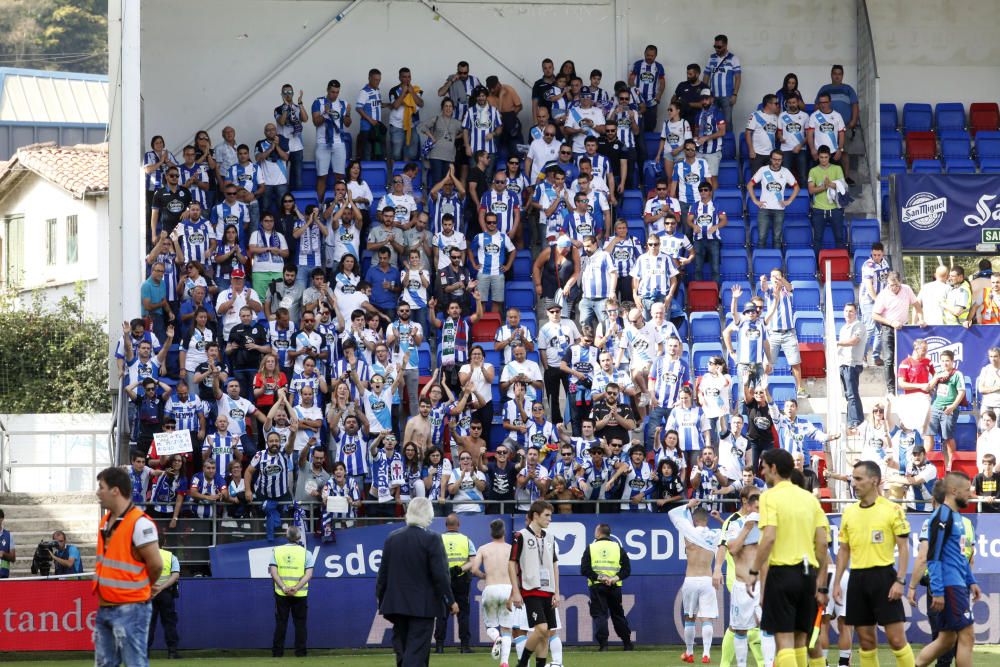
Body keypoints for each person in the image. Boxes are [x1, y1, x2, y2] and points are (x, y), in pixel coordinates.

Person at [748, 449, 830, 667]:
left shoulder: (769, 496)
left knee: (783, 641)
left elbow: (768, 538)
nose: (763, 473)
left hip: (782, 572)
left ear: (774, 468)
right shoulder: (810, 499)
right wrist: (818, 576)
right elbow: (822, 543)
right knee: (801, 640)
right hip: (807, 574)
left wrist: (754, 571)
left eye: (764, 467)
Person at [833, 461, 915, 667]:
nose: (854, 483)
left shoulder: (892, 509)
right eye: (853, 478)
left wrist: (900, 581)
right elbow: (844, 550)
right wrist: (835, 583)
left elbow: (904, 548)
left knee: (896, 640)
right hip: (857, 579)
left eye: (858, 478)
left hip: (884, 578)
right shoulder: (849, 512)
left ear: (874, 481)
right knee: (866, 641)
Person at [93, 466, 163, 667]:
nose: (98, 492)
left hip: (131, 607)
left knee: (135, 664)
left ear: (115, 490)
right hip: (106, 605)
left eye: (101, 487)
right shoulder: (106, 522)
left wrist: (144, 586)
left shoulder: (140, 523)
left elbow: (156, 565)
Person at [377, 496, 458, 667]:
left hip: (397, 605)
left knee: (403, 651)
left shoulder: (392, 538)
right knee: (416, 654)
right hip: (423, 607)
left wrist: (381, 599)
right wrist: (450, 601)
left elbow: (382, 575)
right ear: (429, 514)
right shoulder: (432, 539)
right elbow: (441, 575)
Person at [912, 473, 981, 667]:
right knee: (967, 637)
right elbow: (932, 557)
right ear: (953, 491)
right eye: (967, 490)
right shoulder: (942, 516)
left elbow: (961, 557)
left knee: (947, 640)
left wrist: (971, 580)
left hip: (957, 584)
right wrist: (939, 591)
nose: (970, 494)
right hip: (950, 586)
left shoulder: (957, 518)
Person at [508, 500, 560, 667]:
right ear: (535, 516)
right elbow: (511, 564)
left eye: (550, 515)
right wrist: (516, 591)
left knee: (546, 634)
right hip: (531, 590)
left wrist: (556, 592)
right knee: (541, 629)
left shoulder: (550, 537)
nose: (550, 519)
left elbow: (554, 566)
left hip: (549, 590)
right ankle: (522, 663)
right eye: (547, 515)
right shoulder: (520, 536)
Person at [669, 499, 721, 664]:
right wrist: (719, 519)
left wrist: (688, 505)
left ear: (694, 520)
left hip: (690, 579)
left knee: (689, 617)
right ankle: (706, 654)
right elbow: (731, 529)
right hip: (707, 579)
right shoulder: (715, 534)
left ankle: (689, 652)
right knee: (707, 618)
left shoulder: (689, 530)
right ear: (706, 520)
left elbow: (672, 513)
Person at [470, 519, 517, 667]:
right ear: (503, 532)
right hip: (507, 589)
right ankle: (504, 662)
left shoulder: (483, 549)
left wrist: (484, 576)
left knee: (491, 626)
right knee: (507, 629)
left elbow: (474, 569)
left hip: (491, 588)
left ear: (491, 532)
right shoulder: (511, 548)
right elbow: (516, 571)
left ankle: (496, 638)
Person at [581, 522, 634, 652]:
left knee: (600, 615)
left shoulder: (591, 548)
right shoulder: (618, 548)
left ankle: (603, 645)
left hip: (597, 586)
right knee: (618, 614)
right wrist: (614, 579)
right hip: (615, 587)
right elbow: (627, 570)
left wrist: (600, 578)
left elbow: (584, 570)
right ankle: (627, 643)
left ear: (599, 533)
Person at [873, 272, 924, 394]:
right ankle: (891, 389)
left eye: (896, 285)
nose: (894, 288)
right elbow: (874, 315)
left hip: (904, 328)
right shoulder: (883, 295)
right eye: (891, 285)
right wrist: (890, 322)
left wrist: (921, 318)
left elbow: (917, 305)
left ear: (900, 282)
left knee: (905, 358)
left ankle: (907, 386)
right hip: (888, 328)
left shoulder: (906, 289)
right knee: (889, 359)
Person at [435, 513, 477, 653]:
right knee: (463, 613)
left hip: (443, 580)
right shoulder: (466, 540)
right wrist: (459, 569)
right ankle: (465, 646)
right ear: (458, 525)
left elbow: (432, 561)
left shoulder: (438, 540)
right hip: (462, 580)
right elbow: (473, 562)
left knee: (442, 613)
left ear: (446, 525)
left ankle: (439, 646)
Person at [269, 525, 313, 657]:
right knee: (300, 624)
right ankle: (301, 652)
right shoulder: (306, 553)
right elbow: (309, 574)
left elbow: (273, 572)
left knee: (281, 623)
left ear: (286, 536)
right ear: (299, 537)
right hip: (300, 594)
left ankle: (277, 653)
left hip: (281, 593)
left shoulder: (276, 551)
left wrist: (283, 587)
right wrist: (297, 588)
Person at [748, 149, 799, 249]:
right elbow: (750, 185)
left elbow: (797, 187)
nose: (777, 162)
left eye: (779, 160)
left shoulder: (785, 172)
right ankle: (760, 262)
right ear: (771, 159)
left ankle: (777, 262)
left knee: (777, 238)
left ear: (782, 160)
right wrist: (755, 200)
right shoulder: (763, 170)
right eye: (775, 159)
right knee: (762, 238)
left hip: (779, 209)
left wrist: (789, 201)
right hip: (764, 208)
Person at [148, 535, 180, 659]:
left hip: (149, 594)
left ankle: (144, 653)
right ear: (164, 542)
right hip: (166, 593)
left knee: (149, 624)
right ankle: (172, 652)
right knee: (169, 623)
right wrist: (161, 588)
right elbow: (175, 575)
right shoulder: (171, 556)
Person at [703, 34, 741, 130]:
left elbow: (738, 78)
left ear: (725, 45)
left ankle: (727, 142)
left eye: (719, 47)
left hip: (727, 96)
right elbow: (706, 75)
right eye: (715, 46)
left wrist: (735, 94)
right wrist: (705, 94)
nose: (717, 49)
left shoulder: (733, 58)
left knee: (727, 121)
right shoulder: (711, 58)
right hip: (712, 96)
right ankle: (715, 142)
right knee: (712, 119)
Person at [838, 303, 866, 429]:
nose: (848, 313)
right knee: (849, 394)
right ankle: (853, 420)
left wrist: (837, 343)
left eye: (851, 311)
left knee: (852, 394)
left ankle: (856, 421)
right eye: (846, 311)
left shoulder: (858, 325)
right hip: (843, 363)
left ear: (856, 313)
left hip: (852, 364)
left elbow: (855, 341)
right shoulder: (844, 327)